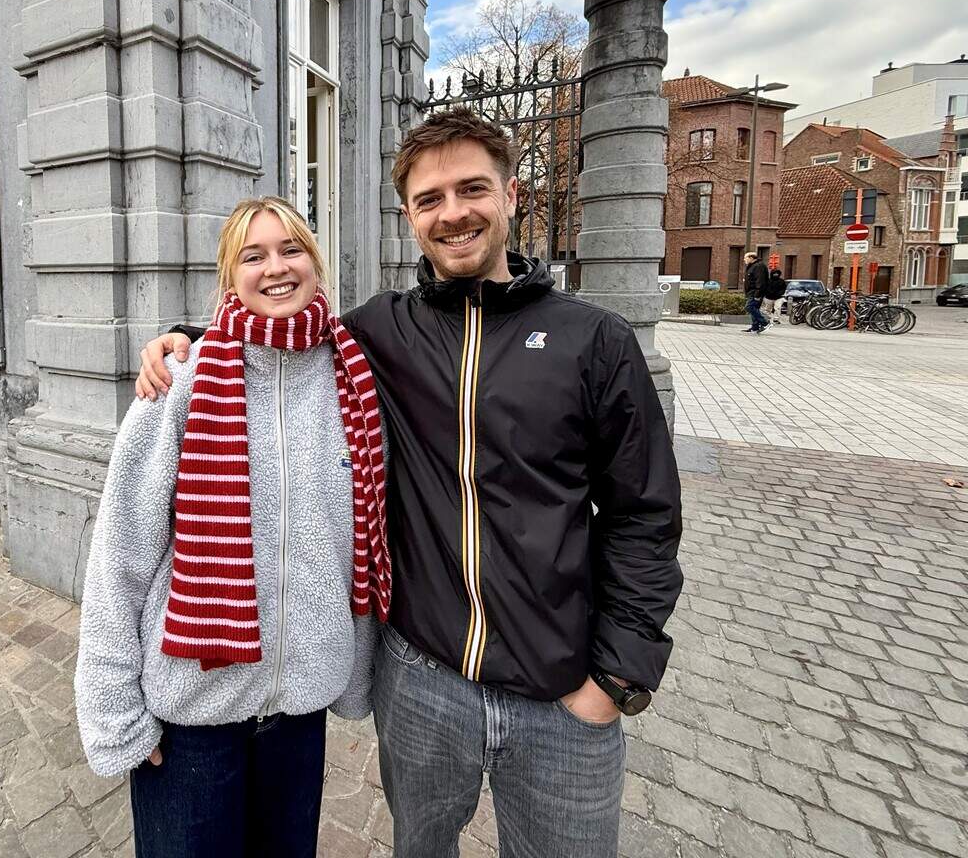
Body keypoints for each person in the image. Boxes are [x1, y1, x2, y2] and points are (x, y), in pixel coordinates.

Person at [136, 107, 682, 858]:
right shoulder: (381, 331)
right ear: (409, 217)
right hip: (423, 683)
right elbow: (282, 329)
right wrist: (187, 341)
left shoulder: (595, 339)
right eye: (430, 199)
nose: (453, 213)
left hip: (561, 697)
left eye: (472, 189)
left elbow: (644, 513)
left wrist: (616, 677)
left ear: (512, 194)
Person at [75, 195, 389, 858]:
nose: (276, 267)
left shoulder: (355, 384)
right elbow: (120, 556)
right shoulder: (181, 384)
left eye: (291, 249)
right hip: (191, 718)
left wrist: (355, 668)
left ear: (315, 264)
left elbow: (360, 544)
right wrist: (116, 714)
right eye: (254, 255)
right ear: (229, 276)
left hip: (298, 714)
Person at [743, 253, 770, 332]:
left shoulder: (759, 266)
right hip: (751, 291)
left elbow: (760, 281)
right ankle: (755, 327)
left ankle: (765, 323)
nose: (744, 260)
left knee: (749, 307)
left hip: (755, 291)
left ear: (751, 258)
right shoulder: (752, 266)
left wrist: (757, 295)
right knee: (755, 308)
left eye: (745, 258)